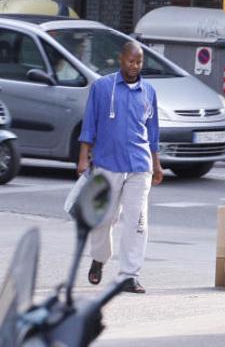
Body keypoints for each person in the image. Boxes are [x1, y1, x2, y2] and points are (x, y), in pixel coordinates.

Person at [77, 41, 163, 294]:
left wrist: (156, 164)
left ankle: (129, 275)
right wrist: (83, 158)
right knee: (103, 219)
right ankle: (99, 258)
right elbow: (89, 125)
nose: (134, 66)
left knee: (137, 222)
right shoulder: (102, 87)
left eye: (139, 62)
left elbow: (153, 132)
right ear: (120, 59)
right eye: (130, 61)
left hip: (139, 166)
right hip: (107, 163)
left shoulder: (149, 91)